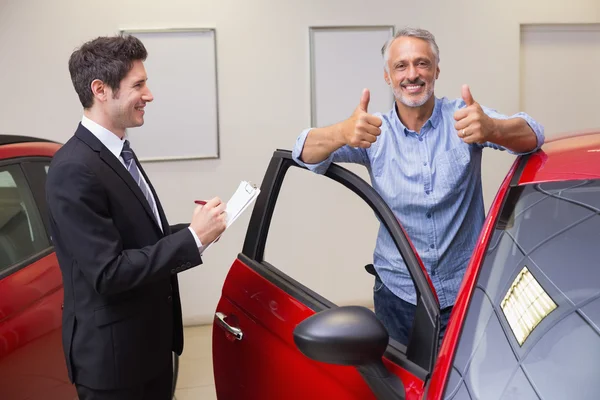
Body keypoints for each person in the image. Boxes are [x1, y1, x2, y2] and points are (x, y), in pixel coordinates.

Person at [292, 27, 544, 347]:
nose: (412, 74)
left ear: (436, 70)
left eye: (422, 63)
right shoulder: (373, 132)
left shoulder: (464, 118)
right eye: (401, 66)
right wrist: (341, 132)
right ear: (388, 76)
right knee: (402, 390)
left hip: (465, 289)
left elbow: (533, 135)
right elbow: (302, 151)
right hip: (397, 294)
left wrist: (493, 128)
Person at [46, 35, 227, 400]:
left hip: (147, 348)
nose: (150, 95)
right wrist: (191, 239)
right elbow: (108, 272)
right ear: (101, 90)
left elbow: (136, 238)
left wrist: (196, 231)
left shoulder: (117, 152)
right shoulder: (73, 169)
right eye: (138, 85)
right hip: (114, 365)